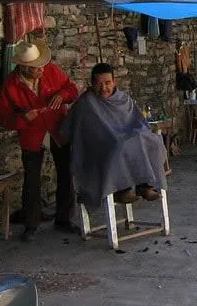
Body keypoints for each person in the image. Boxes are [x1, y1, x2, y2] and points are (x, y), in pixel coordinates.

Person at [0, 40, 79, 242]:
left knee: (65, 173)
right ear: (24, 67)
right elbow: (3, 117)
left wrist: (62, 95)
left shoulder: (51, 70)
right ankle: (31, 224)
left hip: (57, 128)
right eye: (35, 67)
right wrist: (23, 118)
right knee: (31, 179)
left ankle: (64, 219)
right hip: (31, 133)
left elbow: (72, 89)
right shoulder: (11, 84)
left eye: (41, 65)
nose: (41, 69)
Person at [62, 63, 167, 207]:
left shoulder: (123, 99)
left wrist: (136, 133)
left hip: (125, 139)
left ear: (114, 82)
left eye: (107, 83)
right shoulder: (86, 103)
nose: (104, 88)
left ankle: (145, 185)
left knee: (151, 141)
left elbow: (138, 122)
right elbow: (75, 131)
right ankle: (122, 189)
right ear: (92, 83)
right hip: (100, 149)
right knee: (119, 145)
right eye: (99, 84)